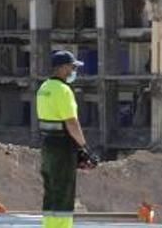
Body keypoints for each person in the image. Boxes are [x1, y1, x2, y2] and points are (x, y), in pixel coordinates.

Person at [36, 50, 98, 228]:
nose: (73, 71)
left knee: (51, 191)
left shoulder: (43, 88)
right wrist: (84, 147)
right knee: (64, 192)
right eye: (72, 67)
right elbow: (71, 122)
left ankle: (49, 226)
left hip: (48, 145)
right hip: (63, 147)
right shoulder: (63, 90)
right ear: (62, 68)